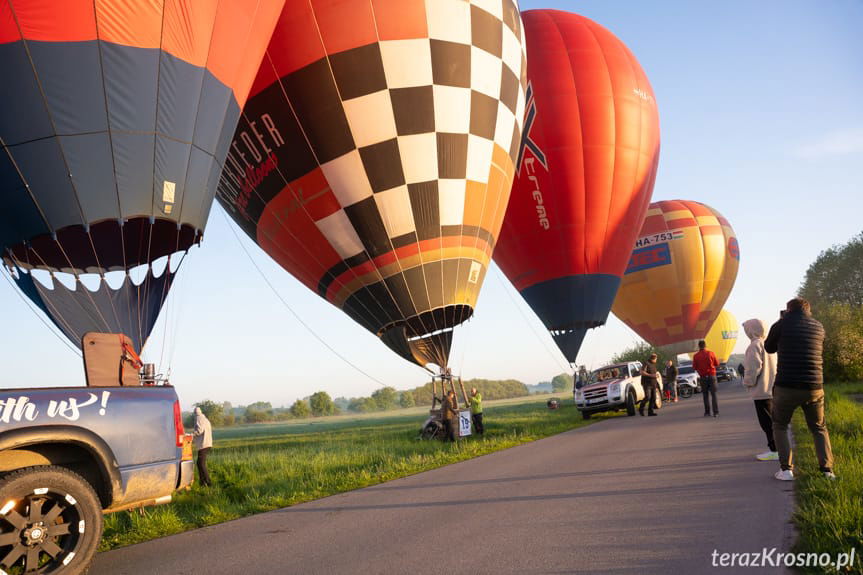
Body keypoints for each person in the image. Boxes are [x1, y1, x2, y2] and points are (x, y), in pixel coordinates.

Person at [765, 298, 835, 481]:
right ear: (808, 310)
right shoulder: (818, 326)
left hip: (786, 386)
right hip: (814, 387)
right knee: (819, 427)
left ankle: (786, 470)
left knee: (780, 425)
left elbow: (769, 348)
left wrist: (781, 323)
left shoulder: (780, 325)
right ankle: (827, 470)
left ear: (788, 310)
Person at [742, 319, 778, 461]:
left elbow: (753, 367)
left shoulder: (754, 346)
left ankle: (775, 450)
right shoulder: (769, 343)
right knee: (773, 420)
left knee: (766, 422)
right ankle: (777, 449)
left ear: (751, 330)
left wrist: (747, 382)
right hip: (773, 388)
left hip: (761, 390)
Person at [693, 340, 719, 417]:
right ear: (705, 346)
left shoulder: (696, 356)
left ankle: (707, 412)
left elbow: (694, 367)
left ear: (699, 346)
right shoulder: (711, 353)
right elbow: (716, 363)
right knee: (714, 395)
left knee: (705, 395)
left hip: (703, 377)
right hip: (712, 375)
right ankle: (716, 412)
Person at [193, 406, 213, 487]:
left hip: (203, 444)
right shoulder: (205, 419)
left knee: (201, 464)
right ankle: (202, 482)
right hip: (207, 443)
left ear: (195, 413)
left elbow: (199, 430)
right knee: (199, 463)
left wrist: (191, 435)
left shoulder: (199, 418)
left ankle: (208, 482)